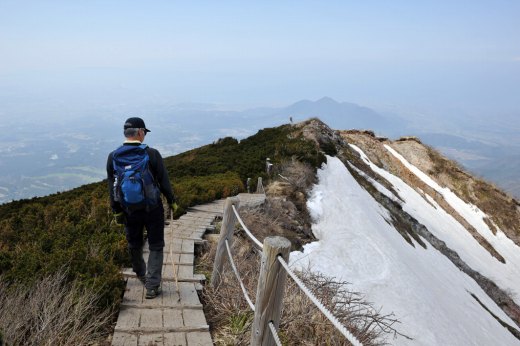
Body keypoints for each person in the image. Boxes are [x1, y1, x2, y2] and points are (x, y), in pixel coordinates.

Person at [107, 117, 177, 299]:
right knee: (156, 245)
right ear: (139, 132)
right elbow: (164, 181)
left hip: (129, 210)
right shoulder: (152, 154)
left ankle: (141, 274)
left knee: (134, 243)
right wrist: (172, 201)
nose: (144, 135)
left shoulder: (113, 156)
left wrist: (116, 211)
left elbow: (112, 185)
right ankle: (153, 286)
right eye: (144, 132)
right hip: (153, 208)